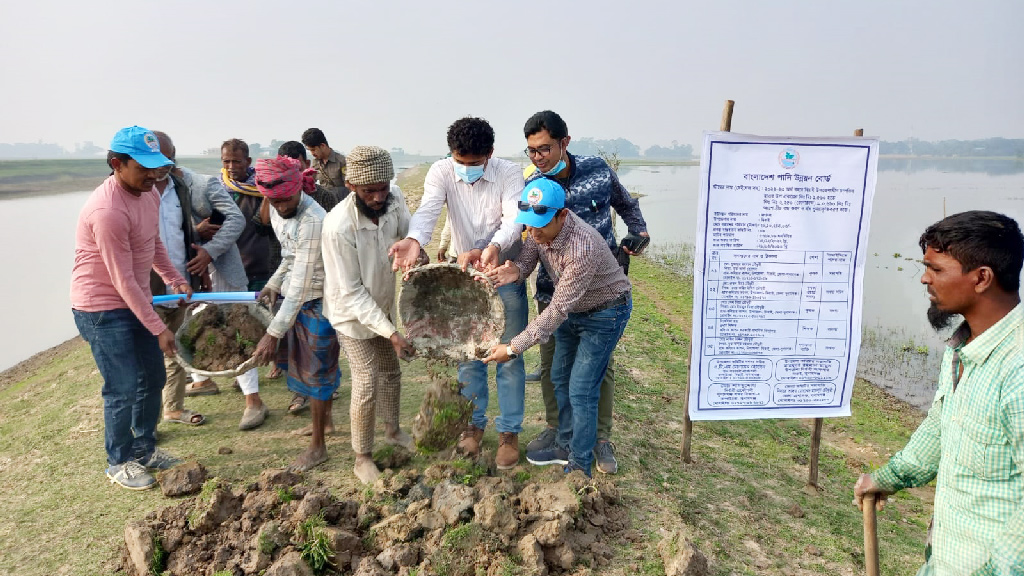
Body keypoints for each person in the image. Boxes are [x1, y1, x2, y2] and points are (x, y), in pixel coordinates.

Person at [853, 211, 1024, 576]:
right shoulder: (962, 346)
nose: (924, 278)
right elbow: (941, 425)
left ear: (981, 278)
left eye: (936, 269)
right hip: (945, 559)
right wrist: (887, 478)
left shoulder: (1018, 369)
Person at [390, 116, 527, 470]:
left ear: (490, 154)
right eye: (460, 162)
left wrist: (492, 246)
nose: (465, 169)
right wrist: (415, 239)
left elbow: (515, 219)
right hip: (461, 278)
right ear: (451, 155)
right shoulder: (441, 172)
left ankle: (509, 434)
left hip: (502, 275)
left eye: (474, 163)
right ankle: (472, 426)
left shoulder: (510, 173)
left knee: (508, 358)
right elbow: (429, 210)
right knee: (469, 355)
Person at [521, 110, 650, 474]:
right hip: (552, 291)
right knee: (554, 369)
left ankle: (598, 439)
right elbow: (528, 242)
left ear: (565, 143)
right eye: (531, 150)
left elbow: (626, 204)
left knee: (595, 373)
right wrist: (510, 267)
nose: (537, 157)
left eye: (544, 149)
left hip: (595, 292)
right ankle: (560, 432)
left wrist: (638, 234)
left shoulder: (596, 170)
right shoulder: (533, 183)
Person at [483, 178, 632, 478]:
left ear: (562, 215)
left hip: (605, 314)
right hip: (574, 311)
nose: (534, 233)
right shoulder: (538, 230)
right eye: (529, 225)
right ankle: (564, 443)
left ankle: (579, 466)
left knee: (581, 389)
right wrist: (516, 271)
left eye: (541, 225)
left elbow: (556, 311)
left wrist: (512, 348)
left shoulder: (582, 247)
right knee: (559, 377)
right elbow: (528, 258)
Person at [71, 126, 191, 490]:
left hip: (136, 300)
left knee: (152, 378)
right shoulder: (106, 211)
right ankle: (119, 461)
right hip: (102, 309)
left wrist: (175, 279)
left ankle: (144, 448)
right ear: (117, 164)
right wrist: (159, 327)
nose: (153, 175)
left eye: (157, 167)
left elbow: (152, 244)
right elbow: (121, 280)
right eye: (143, 167)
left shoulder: (148, 194)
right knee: (122, 387)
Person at [322, 146, 418, 483]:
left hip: (383, 305)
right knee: (366, 382)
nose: (378, 197)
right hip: (351, 314)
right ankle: (362, 456)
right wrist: (391, 333)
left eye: (383, 187)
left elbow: (410, 235)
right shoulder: (337, 227)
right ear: (351, 186)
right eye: (369, 191)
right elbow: (351, 292)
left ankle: (392, 432)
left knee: (391, 373)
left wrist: (414, 253)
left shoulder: (394, 201)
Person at [251, 156, 341, 472]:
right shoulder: (278, 212)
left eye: (285, 199)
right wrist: (273, 283)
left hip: (321, 300)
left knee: (318, 373)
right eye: (273, 200)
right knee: (310, 371)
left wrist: (271, 334)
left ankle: (318, 447)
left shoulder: (313, 220)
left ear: (296, 190)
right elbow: (290, 256)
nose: (280, 205)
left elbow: (302, 286)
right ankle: (325, 425)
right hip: (297, 299)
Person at [204, 138, 271, 429]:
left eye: (237, 161)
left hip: (262, 266)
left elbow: (265, 225)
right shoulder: (214, 190)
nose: (231, 167)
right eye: (226, 161)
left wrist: (268, 194)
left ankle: (259, 395)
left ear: (248, 161)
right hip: (226, 270)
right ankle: (248, 393)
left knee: (261, 329)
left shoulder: (264, 188)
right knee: (234, 330)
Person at [149, 131, 207, 427]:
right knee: (148, 356)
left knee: (177, 347)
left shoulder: (179, 187)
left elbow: (186, 230)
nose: (166, 164)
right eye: (160, 159)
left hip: (180, 282)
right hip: (147, 289)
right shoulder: (135, 192)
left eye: (171, 158)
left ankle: (173, 407)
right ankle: (148, 422)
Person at [301, 128, 348, 200]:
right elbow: (311, 185)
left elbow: (348, 187)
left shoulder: (342, 161)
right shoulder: (315, 163)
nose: (312, 153)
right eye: (310, 150)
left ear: (322, 146)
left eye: (313, 150)